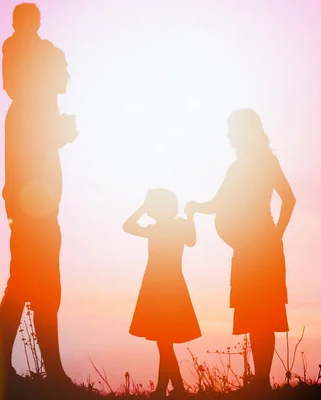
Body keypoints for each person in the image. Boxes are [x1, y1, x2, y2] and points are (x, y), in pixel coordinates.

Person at [0, 3, 78, 397]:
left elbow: (43, 148)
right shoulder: (23, 107)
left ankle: (51, 371)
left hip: (44, 202)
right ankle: (9, 372)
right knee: (25, 281)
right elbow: (29, 156)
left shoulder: (40, 101)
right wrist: (58, 133)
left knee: (47, 286)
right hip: (29, 206)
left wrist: (60, 133)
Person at [186, 108, 296, 392]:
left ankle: (261, 382)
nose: (229, 135)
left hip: (256, 247)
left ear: (245, 132)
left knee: (261, 313)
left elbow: (288, 200)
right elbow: (220, 203)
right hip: (254, 246)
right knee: (259, 314)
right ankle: (261, 382)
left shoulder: (255, 164)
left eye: (232, 130)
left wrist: (276, 236)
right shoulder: (252, 164)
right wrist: (276, 236)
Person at [123, 188, 201, 398]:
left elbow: (128, 225)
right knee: (164, 343)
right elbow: (192, 240)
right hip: (169, 285)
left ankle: (168, 390)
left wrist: (142, 208)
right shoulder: (174, 225)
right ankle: (173, 390)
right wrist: (191, 217)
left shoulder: (159, 228)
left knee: (164, 343)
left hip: (159, 287)